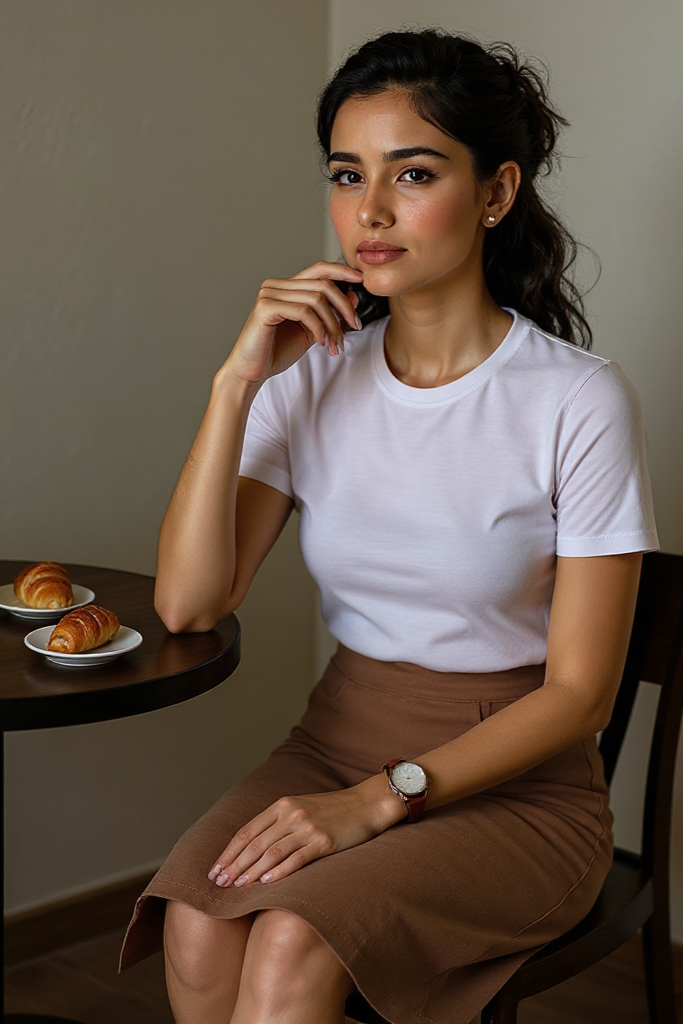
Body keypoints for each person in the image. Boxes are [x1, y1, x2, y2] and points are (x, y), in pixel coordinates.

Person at [119, 28, 659, 1024]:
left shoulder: (575, 400)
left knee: (290, 940)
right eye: (345, 174)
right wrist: (236, 382)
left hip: (516, 786)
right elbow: (189, 603)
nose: (367, 211)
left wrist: (380, 797)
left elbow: (580, 695)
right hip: (331, 741)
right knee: (198, 921)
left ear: (495, 193)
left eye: (411, 173)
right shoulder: (307, 372)